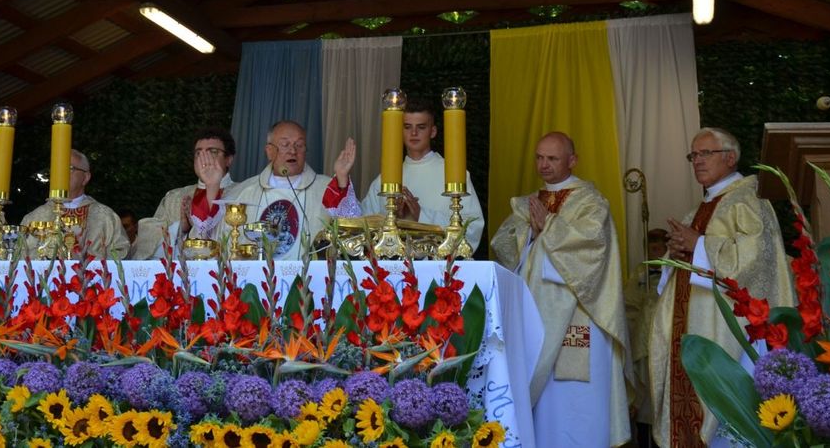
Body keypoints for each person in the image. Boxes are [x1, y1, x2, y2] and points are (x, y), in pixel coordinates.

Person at [649, 127, 794, 448]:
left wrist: (698, 244)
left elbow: (756, 261)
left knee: (727, 421)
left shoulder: (749, 199)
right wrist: (679, 251)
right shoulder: (702, 206)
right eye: (693, 155)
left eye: (705, 153)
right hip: (694, 328)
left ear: (730, 158)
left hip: (730, 332)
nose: (697, 161)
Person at [490, 131, 632, 448]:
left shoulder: (591, 203)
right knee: (542, 408)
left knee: (576, 401)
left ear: (572, 160)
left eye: (552, 158)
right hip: (535, 313)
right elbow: (505, 247)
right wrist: (529, 233)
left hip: (579, 315)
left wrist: (549, 228)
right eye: (539, 157)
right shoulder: (528, 202)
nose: (544, 165)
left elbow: (594, 249)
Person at [360, 99, 485, 251]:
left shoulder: (455, 176)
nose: (413, 133)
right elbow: (364, 227)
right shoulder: (384, 180)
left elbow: (472, 228)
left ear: (432, 132)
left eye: (421, 127)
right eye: (407, 127)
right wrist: (394, 218)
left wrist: (421, 215)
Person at [225, 120, 359, 261]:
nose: (293, 151)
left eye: (299, 145)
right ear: (269, 151)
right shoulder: (245, 192)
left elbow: (351, 230)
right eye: (285, 144)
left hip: (308, 280)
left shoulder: (327, 188)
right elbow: (228, 245)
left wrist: (342, 178)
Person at [132, 128, 236, 259]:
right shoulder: (174, 198)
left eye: (212, 152)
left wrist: (199, 225)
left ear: (229, 159)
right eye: (198, 153)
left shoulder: (243, 194)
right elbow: (148, 243)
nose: (204, 158)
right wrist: (180, 228)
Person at [20, 150, 130, 258]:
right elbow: (19, 255)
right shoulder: (35, 217)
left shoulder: (106, 217)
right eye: (57, 168)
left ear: (85, 178)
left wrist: (84, 257)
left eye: (69, 168)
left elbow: (122, 252)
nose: (61, 174)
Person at [625, 228, 668, 447]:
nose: (656, 252)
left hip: (666, 340)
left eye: (659, 248)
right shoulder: (641, 272)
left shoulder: (674, 268)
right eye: (652, 249)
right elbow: (630, 305)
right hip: (643, 341)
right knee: (644, 400)